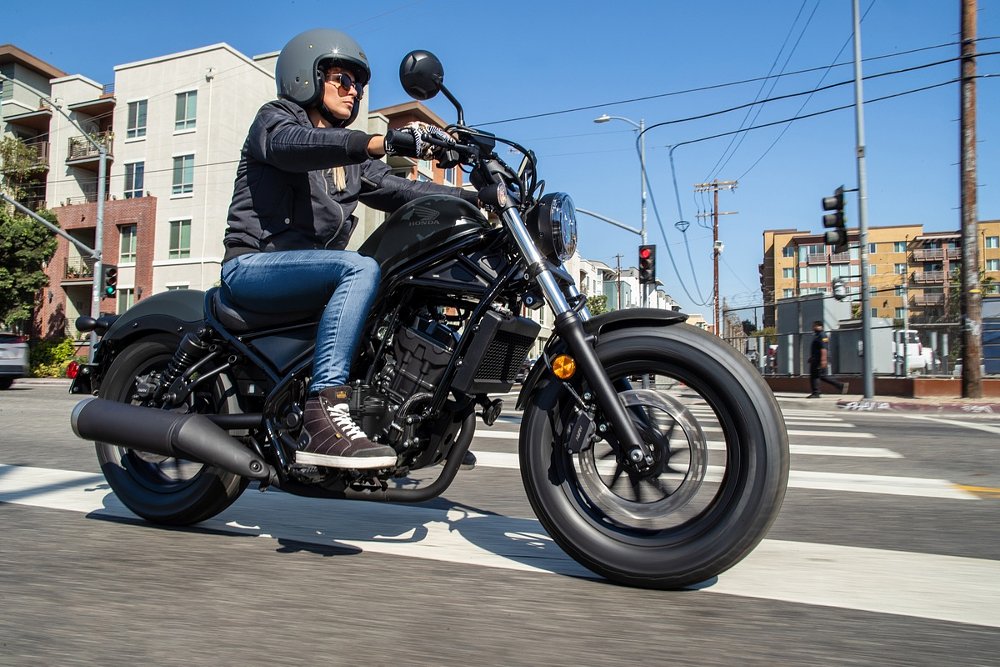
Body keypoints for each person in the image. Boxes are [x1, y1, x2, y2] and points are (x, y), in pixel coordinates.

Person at [221, 28, 480, 470]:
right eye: (342, 79)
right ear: (306, 76)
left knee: (401, 287)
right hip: (252, 266)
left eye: (358, 84)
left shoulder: (350, 161)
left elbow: (402, 189)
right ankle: (324, 411)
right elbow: (296, 146)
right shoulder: (276, 121)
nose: (353, 90)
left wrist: (476, 197)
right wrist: (380, 141)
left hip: (307, 277)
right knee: (359, 268)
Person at [807, 320, 848, 398]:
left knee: (818, 376)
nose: (813, 327)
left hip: (819, 360)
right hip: (815, 359)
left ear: (819, 326)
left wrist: (823, 360)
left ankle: (816, 393)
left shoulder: (822, 335)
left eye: (814, 326)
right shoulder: (817, 335)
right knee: (820, 376)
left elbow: (824, 348)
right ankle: (840, 386)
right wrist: (811, 357)